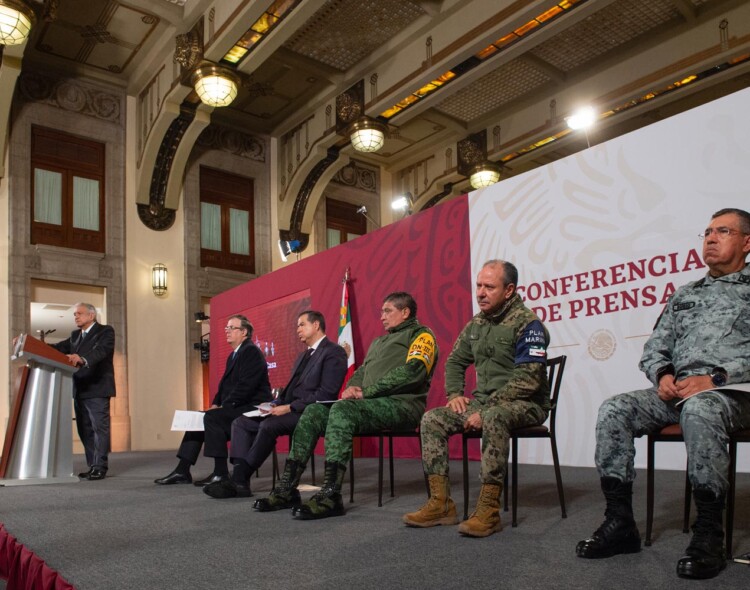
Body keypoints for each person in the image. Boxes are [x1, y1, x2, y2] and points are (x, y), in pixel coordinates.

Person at [576, 208, 750, 580]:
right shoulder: (686, 294)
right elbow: (656, 347)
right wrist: (663, 373)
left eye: (724, 231)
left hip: (736, 394)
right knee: (614, 409)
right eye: (707, 231)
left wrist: (716, 379)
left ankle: (709, 533)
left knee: (702, 409)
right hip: (681, 393)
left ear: (746, 242)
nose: (711, 238)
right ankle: (620, 523)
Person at [254, 291, 438, 519]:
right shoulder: (379, 342)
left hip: (402, 406)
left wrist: (367, 392)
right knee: (312, 412)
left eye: (387, 311)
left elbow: (413, 372)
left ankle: (330, 495)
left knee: (341, 410)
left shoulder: (422, 335)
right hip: (371, 406)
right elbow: (362, 372)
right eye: (381, 311)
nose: (381, 316)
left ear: (405, 312)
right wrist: (351, 387)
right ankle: (287, 489)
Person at [402, 260, 550, 537]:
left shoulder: (529, 325)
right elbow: (455, 361)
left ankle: (489, 511)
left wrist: (486, 409)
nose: (480, 292)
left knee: (494, 417)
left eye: (489, 287)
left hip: (527, 404)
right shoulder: (476, 324)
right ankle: (441, 503)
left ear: (508, 290)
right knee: (432, 419)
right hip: (485, 402)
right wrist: (455, 394)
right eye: (479, 285)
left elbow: (528, 381)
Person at [204, 310, 347, 499]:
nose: (297, 329)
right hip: (290, 408)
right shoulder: (302, 356)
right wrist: (272, 404)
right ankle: (241, 482)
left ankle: (239, 478)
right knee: (241, 422)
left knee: (268, 425)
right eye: (297, 325)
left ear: (316, 325)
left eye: (301, 324)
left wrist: (289, 407)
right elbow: (288, 392)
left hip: (311, 411)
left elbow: (326, 393)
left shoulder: (333, 352)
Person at [155, 314, 272, 486]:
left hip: (251, 407)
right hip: (236, 405)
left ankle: (220, 473)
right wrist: (216, 404)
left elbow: (246, 387)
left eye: (232, 328)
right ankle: (182, 470)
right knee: (197, 419)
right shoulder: (234, 354)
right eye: (226, 328)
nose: (227, 331)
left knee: (211, 418)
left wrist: (223, 407)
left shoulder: (251, 352)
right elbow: (224, 386)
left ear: (244, 332)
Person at [51, 303, 116, 481]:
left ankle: (100, 466)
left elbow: (101, 352)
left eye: (79, 313)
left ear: (91, 315)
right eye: (74, 314)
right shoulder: (74, 336)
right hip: (80, 388)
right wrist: (30, 343)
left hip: (98, 388)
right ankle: (92, 465)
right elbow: (57, 347)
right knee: (85, 430)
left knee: (99, 429)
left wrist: (83, 359)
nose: (76, 317)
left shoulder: (105, 331)